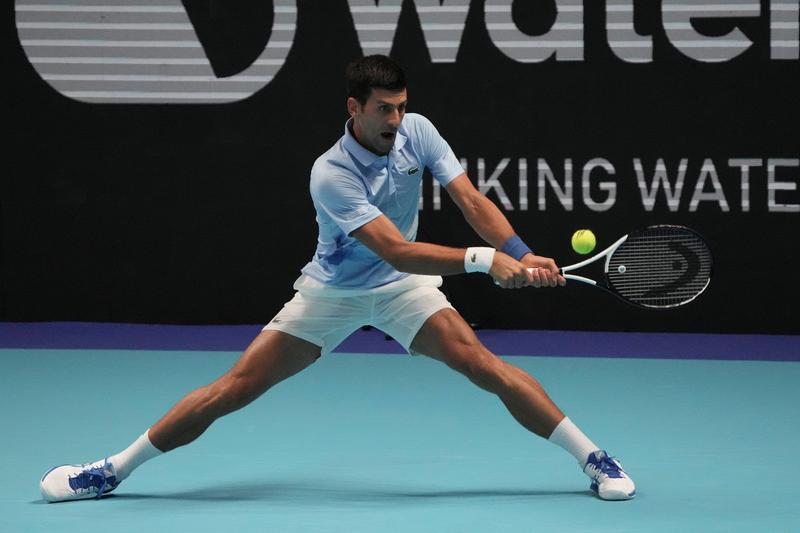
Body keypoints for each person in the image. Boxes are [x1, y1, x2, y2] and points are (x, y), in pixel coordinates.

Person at [40, 55, 635, 502]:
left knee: (485, 365)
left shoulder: (419, 132)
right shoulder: (331, 174)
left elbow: (471, 201)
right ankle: (112, 470)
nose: (396, 119)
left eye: (401, 106)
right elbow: (396, 249)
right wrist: (484, 261)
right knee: (235, 388)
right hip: (335, 292)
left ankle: (593, 458)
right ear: (354, 107)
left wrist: (522, 254)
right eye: (384, 109)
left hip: (403, 291)